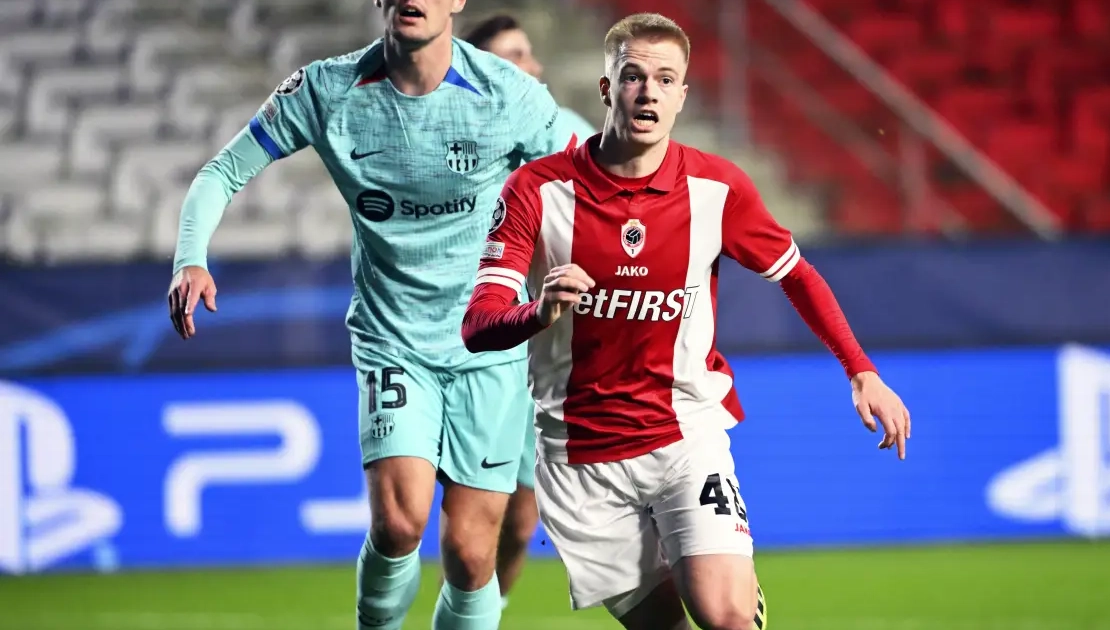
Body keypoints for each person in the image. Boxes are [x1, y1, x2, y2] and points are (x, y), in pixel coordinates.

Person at [461, 12, 911, 630]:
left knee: (724, 617)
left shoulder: (717, 188)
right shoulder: (534, 190)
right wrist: (537, 311)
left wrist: (861, 371)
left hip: (684, 436)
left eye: (665, 79)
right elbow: (478, 323)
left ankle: (734, 599)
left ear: (682, 96)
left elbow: (797, 274)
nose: (648, 92)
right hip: (578, 457)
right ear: (606, 88)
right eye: (633, 76)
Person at [166, 1, 578, 629]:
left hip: (489, 345)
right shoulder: (327, 90)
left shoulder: (508, 93)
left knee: (472, 555)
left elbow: (592, 184)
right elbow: (223, 170)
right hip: (394, 339)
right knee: (399, 522)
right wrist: (190, 258)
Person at [460, 13, 597, 608]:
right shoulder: (450, 130)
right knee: (470, 522)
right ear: (482, 70)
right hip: (473, 339)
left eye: (530, 53)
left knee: (520, 522)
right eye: (516, 56)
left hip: (539, 344)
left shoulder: (567, 129)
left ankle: (482, 616)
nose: (533, 67)